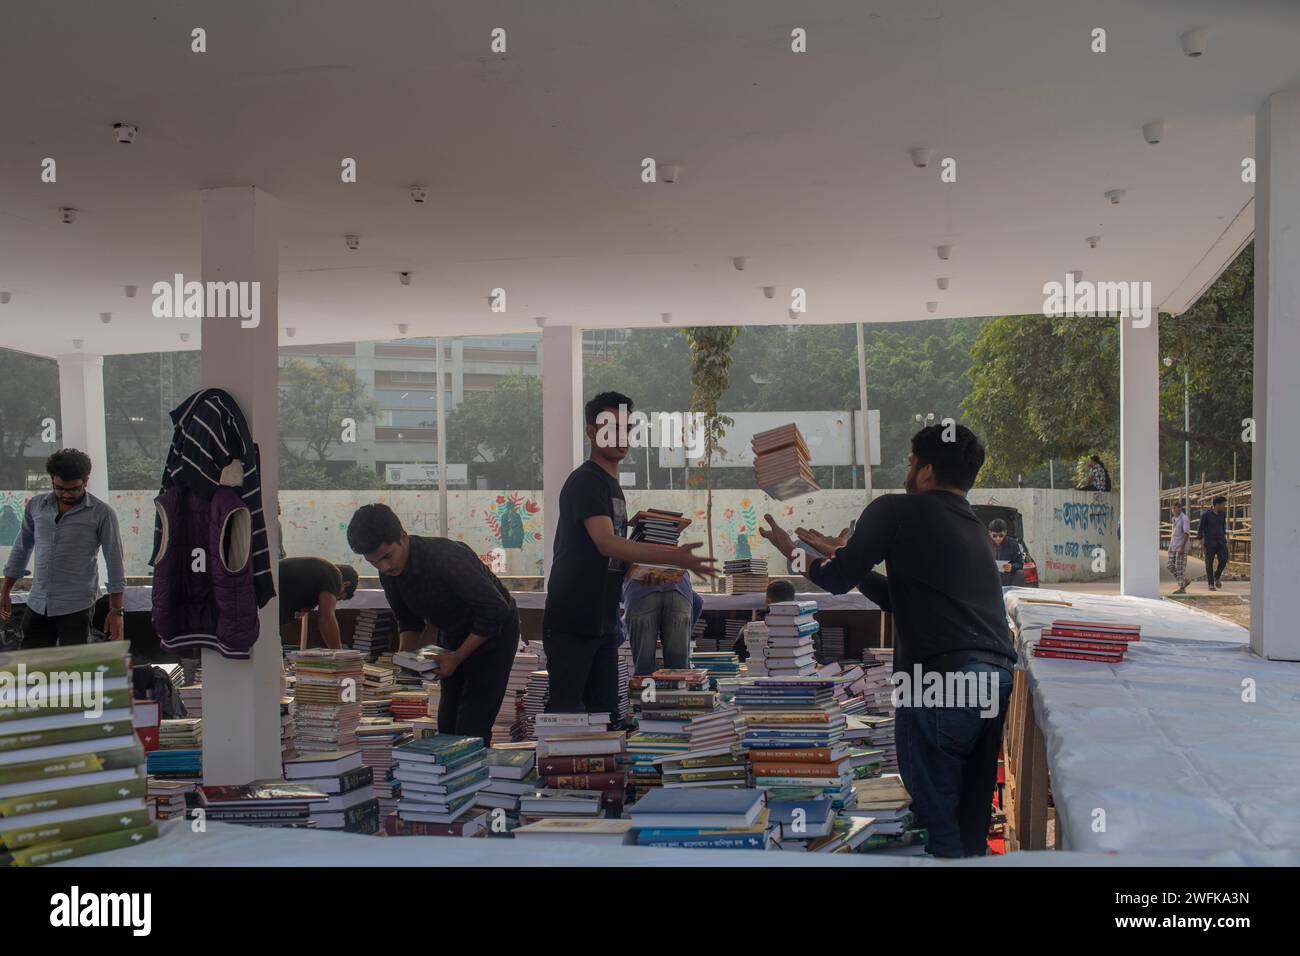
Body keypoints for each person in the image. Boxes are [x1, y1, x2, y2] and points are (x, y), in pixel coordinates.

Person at [760, 424, 1014, 859]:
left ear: (928, 469)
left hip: (940, 679)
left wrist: (793, 552)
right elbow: (902, 597)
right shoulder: (973, 527)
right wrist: (838, 557)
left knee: (935, 819)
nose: (908, 471)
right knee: (971, 812)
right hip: (993, 677)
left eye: (912, 463)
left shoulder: (895, 509)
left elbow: (836, 580)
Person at [544, 391, 715, 716]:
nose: (621, 436)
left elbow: (614, 560)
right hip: (574, 618)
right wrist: (672, 555)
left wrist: (647, 540)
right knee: (568, 715)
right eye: (611, 427)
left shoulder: (612, 488)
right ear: (591, 432)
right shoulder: (587, 482)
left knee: (606, 715)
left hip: (604, 619)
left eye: (627, 427)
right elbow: (606, 543)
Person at [346, 503, 517, 745]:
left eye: (387, 557)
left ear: (403, 537)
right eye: (374, 563)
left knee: (472, 728)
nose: (384, 567)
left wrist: (457, 658)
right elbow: (408, 621)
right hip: (453, 633)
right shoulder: (389, 574)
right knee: (447, 725)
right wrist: (404, 659)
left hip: (494, 634)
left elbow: (496, 610)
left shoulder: (446, 557)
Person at [1, 449, 126, 648]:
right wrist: (5, 590)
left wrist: (117, 611)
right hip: (38, 603)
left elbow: (114, 560)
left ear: (86, 480)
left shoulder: (102, 513)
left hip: (76, 606)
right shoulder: (36, 506)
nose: (66, 495)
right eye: (59, 488)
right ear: (52, 480)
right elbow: (22, 548)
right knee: (31, 667)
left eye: (74, 489)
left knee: (75, 670)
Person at [622, 566, 703, 676]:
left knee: (644, 671)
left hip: (639, 589)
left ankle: (646, 690)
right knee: (678, 672)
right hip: (679, 587)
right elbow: (698, 602)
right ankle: (676, 690)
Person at [279, 557, 359, 649]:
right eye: (338, 597)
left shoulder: (318, 572)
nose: (334, 601)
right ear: (345, 584)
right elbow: (326, 619)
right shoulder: (334, 574)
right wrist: (339, 654)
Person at [1198, 495, 1230, 590]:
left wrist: (1224, 538)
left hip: (1221, 541)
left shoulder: (1222, 514)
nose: (1224, 506)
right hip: (1209, 542)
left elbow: (1223, 526)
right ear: (1217, 504)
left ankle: (1217, 576)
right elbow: (1200, 529)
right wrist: (1201, 542)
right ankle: (1211, 584)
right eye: (1223, 504)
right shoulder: (1205, 515)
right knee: (1209, 563)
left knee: (1224, 559)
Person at [987, 518, 1023, 586]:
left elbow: (1019, 564)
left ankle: (1012, 594)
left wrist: (1012, 567)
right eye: (994, 536)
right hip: (988, 576)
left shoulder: (1013, 543)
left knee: (1020, 573)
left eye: (1001, 535)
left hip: (1006, 576)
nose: (998, 538)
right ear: (989, 533)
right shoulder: (985, 543)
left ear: (1005, 532)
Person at [1167, 500, 1191, 594]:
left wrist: (1182, 547)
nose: (1173, 510)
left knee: (1180, 567)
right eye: (1172, 508)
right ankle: (1184, 580)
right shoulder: (1174, 519)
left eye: (1175, 508)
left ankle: (1182, 588)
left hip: (1181, 546)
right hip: (1173, 545)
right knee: (1169, 565)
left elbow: (1186, 533)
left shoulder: (1184, 518)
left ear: (1180, 508)